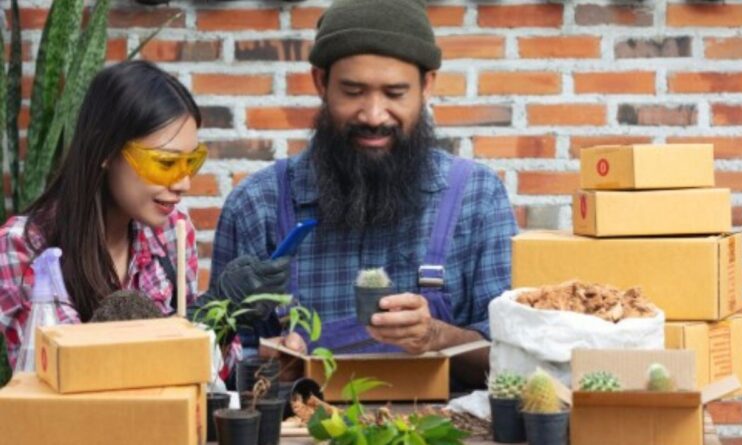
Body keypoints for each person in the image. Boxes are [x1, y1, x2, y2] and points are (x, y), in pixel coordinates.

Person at [211, 0, 518, 387]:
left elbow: (514, 359)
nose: (374, 115)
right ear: (321, 82)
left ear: (427, 86)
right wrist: (270, 365)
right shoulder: (256, 206)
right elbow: (214, 365)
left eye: (394, 93)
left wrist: (438, 337)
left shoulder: (477, 197)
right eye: (353, 91)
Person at [0, 61, 206, 368]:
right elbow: (63, 369)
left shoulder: (175, 232)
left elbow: (206, 369)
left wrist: (220, 316)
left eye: (191, 162)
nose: (183, 183)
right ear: (106, 151)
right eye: (165, 163)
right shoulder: (24, 247)